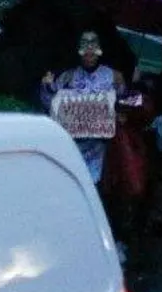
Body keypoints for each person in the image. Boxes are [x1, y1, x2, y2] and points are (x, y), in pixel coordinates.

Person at [40, 30, 126, 184]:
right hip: (71, 146)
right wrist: (46, 86)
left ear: (99, 49)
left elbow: (123, 103)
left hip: (98, 148)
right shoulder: (68, 76)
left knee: (92, 185)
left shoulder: (114, 77)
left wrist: (120, 114)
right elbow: (50, 104)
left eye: (93, 45)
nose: (89, 51)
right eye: (85, 45)